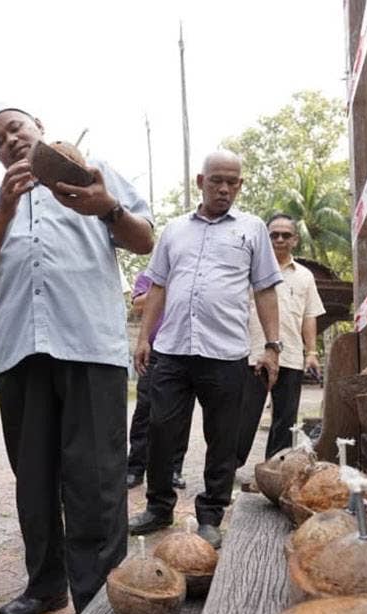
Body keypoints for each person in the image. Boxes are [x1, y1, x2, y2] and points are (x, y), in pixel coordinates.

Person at [0, 103, 155, 614]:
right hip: (20, 352)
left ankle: (97, 604)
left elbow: (145, 240)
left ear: (39, 127)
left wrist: (106, 207)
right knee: (35, 480)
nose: (11, 141)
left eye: (16, 127)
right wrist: (3, 212)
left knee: (95, 480)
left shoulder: (94, 175)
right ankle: (45, 585)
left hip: (90, 346)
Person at [128, 150, 282, 550]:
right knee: (161, 430)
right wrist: (144, 339)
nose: (225, 188)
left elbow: (265, 288)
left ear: (241, 185)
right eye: (217, 180)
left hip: (225, 353)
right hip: (173, 350)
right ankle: (159, 507)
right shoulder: (175, 230)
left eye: (232, 181)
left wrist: (272, 346)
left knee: (222, 439)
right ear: (201, 182)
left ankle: (211, 515)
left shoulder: (252, 230)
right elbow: (157, 285)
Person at [235, 214, 324, 466]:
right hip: (253, 354)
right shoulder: (248, 270)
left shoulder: (305, 276)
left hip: (292, 356)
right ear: (265, 237)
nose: (280, 239)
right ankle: (229, 468)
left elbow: (309, 316)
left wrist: (312, 353)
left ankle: (275, 470)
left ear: (295, 239)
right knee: (244, 416)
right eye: (274, 234)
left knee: (285, 420)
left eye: (286, 234)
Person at [126, 271, 191, 490]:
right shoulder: (149, 274)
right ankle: (135, 468)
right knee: (144, 410)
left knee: (182, 413)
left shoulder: (192, 271)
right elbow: (137, 303)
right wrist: (168, 286)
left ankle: (174, 469)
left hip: (183, 350)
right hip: (153, 351)